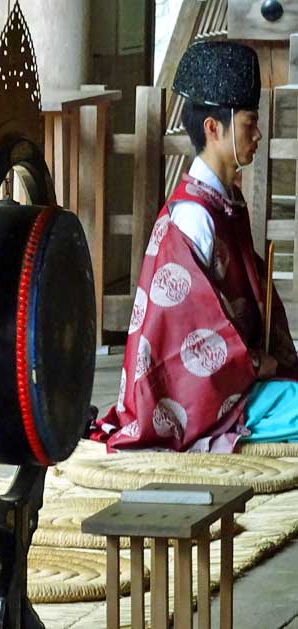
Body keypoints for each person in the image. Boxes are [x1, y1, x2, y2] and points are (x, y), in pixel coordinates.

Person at [93, 41, 298, 452]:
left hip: (235, 382)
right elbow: (191, 338)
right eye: (248, 123)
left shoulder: (220, 201)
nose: (257, 135)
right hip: (200, 398)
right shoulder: (193, 218)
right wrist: (261, 363)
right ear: (213, 127)